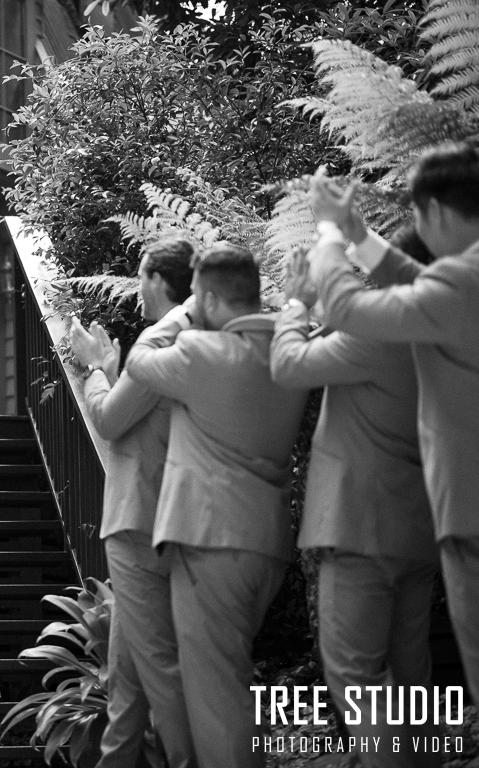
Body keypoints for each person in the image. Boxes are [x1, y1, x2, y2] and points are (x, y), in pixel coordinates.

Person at [306, 142, 479, 703]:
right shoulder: (463, 282)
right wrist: (358, 235)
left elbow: (347, 309)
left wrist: (329, 235)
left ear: (437, 211)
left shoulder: (463, 281)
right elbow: (417, 280)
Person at [124, 244, 309, 768]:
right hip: (266, 544)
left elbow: (138, 360)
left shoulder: (200, 352)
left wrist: (181, 314)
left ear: (205, 297)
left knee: (216, 696)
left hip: (210, 540)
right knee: (231, 680)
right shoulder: (288, 349)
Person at [270, 244, 441, 767]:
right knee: (411, 678)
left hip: (360, 527)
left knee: (355, 675)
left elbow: (289, 364)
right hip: (418, 524)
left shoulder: (378, 332)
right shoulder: (447, 333)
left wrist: (297, 303)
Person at [69, 238, 196, 768]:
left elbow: (108, 420)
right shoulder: (182, 340)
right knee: (126, 680)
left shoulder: (163, 340)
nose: (137, 286)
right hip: (151, 508)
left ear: (159, 281)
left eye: (141, 275)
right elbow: (136, 423)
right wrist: (113, 372)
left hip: (140, 516)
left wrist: (94, 369)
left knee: (158, 667)